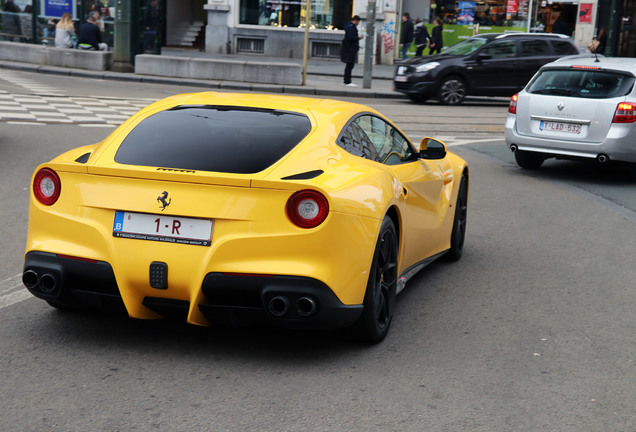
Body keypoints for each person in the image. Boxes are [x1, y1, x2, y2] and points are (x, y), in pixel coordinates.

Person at [340, 15, 362, 87]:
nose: (358, 23)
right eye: (358, 22)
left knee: (349, 65)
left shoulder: (349, 26)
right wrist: (358, 37)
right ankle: (347, 81)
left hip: (349, 48)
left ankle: (347, 81)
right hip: (350, 49)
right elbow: (351, 38)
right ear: (355, 20)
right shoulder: (351, 27)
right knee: (350, 65)